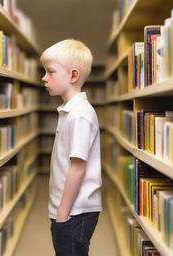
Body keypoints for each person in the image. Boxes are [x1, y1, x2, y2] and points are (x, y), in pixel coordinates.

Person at [40, 39, 103, 256]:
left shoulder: (80, 115)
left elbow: (78, 167)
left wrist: (62, 214)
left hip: (75, 212)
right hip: (69, 211)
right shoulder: (70, 111)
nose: (44, 78)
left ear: (73, 76)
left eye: (50, 72)